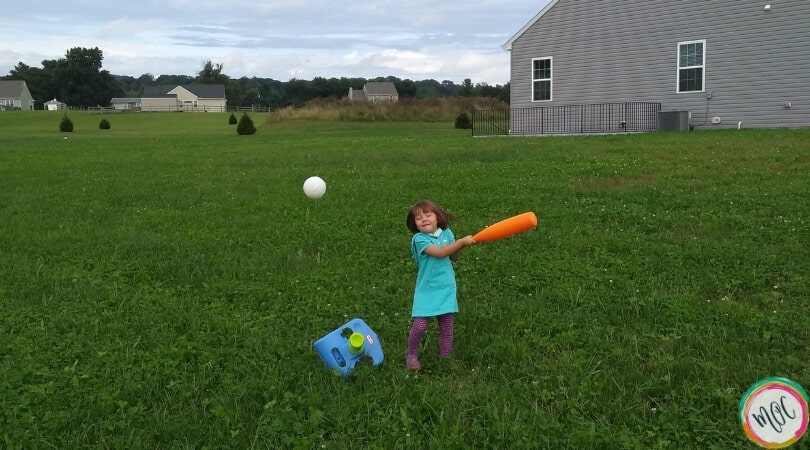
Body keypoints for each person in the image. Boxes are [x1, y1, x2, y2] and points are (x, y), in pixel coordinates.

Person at [405, 199, 476, 371]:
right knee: (421, 324)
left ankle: (445, 357)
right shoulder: (419, 239)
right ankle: (411, 354)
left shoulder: (447, 233)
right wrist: (460, 242)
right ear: (414, 224)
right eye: (418, 218)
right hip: (427, 289)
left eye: (428, 215)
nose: (424, 219)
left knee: (446, 326)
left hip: (446, 286)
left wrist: (459, 247)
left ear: (438, 217)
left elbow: (452, 257)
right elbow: (439, 253)